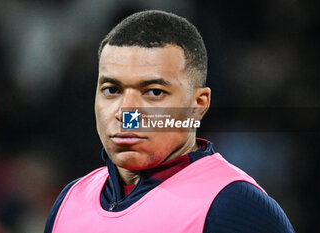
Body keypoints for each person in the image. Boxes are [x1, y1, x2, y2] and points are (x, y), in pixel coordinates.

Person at [44, 10, 295, 233]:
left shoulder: (235, 208)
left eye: (154, 92)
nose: (127, 113)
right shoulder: (69, 201)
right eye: (112, 90)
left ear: (198, 105)